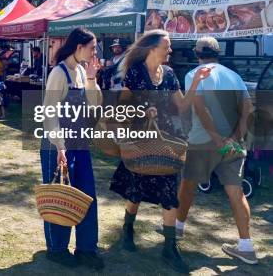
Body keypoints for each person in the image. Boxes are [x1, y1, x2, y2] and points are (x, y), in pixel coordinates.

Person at [109, 30, 212, 274]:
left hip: (165, 139)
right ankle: (127, 230)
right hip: (140, 138)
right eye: (167, 46)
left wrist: (196, 83)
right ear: (152, 48)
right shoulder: (135, 73)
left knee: (169, 192)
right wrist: (142, 111)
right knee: (135, 191)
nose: (171, 50)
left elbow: (183, 105)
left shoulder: (168, 74)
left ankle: (169, 248)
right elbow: (122, 107)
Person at [176, 37, 258, 265]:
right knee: (236, 193)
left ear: (197, 53)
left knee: (188, 185)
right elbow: (248, 110)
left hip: (203, 141)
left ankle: (177, 229)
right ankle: (246, 247)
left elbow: (199, 108)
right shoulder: (235, 76)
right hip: (233, 144)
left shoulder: (195, 74)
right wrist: (233, 138)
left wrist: (215, 137)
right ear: (217, 52)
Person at [40, 28, 104, 269]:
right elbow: (49, 111)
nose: (95, 52)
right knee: (60, 196)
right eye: (92, 48)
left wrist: (92, 78)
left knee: (86, 195)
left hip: (79, 142)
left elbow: (95, 103)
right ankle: (57, 249)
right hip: (57, 145)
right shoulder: (59, 73)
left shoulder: (80, 71)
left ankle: (87, 248)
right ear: (79, 47)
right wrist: (59, 146)